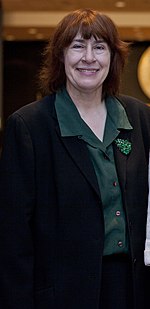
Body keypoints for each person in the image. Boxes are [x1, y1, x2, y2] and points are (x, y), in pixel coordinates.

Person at [0, 8, 150, 309]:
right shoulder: (30, 126)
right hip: (63, 293)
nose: (89, 58)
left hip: (133, 289)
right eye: (78, 46)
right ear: (60, 56)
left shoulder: (140, 116)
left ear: (113, 57)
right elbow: (13, 236)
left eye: (100, 47)